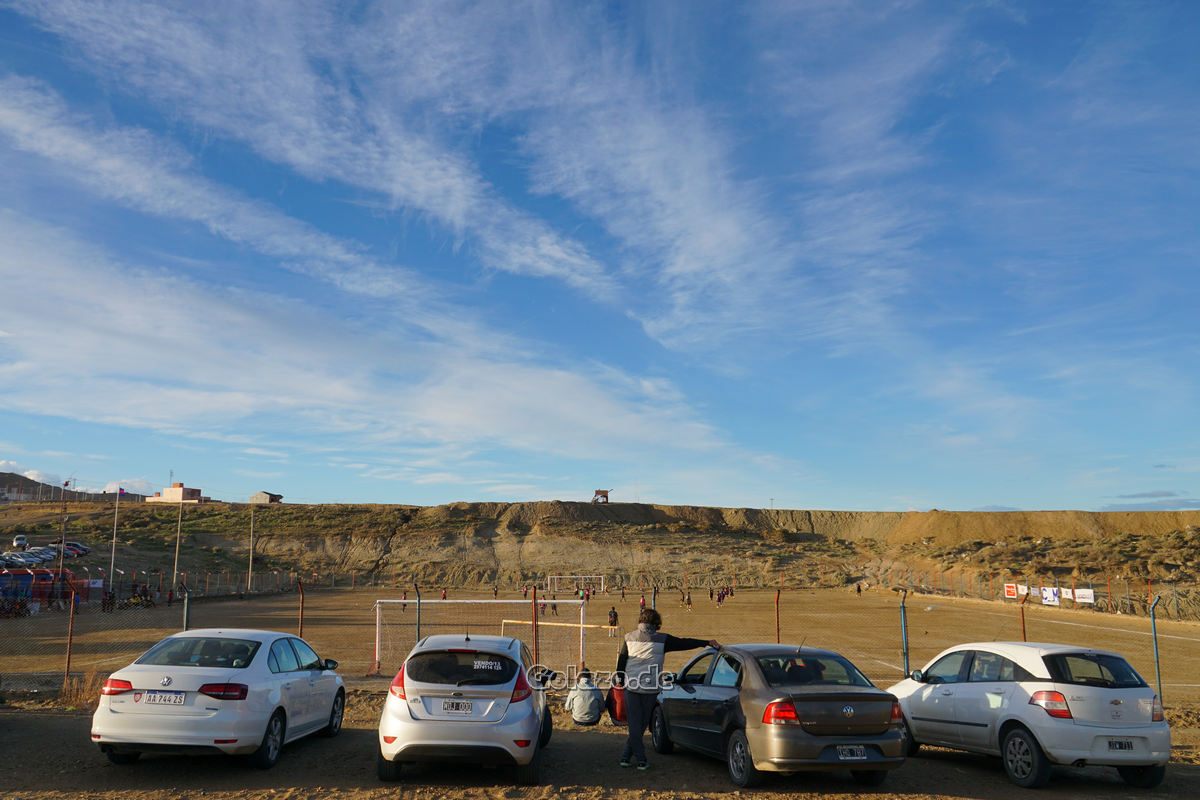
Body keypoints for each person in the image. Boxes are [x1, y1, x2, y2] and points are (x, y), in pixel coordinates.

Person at [614, 607, 718, 770]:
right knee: (641, 725)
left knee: (634, 725)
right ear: (657, 623)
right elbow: (684, 642)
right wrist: (705, 643)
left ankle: (628, 757)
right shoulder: (663, 640)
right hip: (651, 688)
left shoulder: (629, 637)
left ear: (640, 621)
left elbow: (621, 663)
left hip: (632, 687)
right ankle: (638, 759)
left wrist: (621, 681)